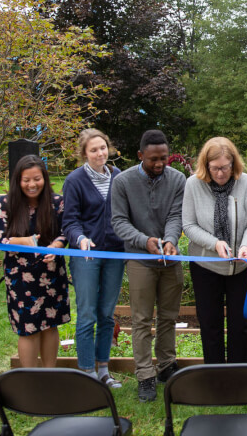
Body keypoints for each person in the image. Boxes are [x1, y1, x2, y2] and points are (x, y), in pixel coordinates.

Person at [111, 129, 185, 403]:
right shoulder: (123, 182)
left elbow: (177, 215)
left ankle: (166, 365)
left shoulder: (178, 179)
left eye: (164, 158)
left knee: (168, 316)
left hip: (170, 258)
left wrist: (170, 240)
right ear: (140, 155)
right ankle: (145, 375)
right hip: (140, 259)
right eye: (153, 159)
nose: (159, 164)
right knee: (141, 320)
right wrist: (145, 241)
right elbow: (119, 221)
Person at [183, 137, 247, 364]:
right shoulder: (193, 185)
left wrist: (246, 246)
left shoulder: (246, 183)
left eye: (225, 168)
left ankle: (241, 374)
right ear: (206, 166)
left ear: (233, 163)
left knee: (242, 323)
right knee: (210, 323)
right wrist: (215, 243)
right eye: (215, 168)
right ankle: (215, 375)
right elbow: (188, 225)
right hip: (206, 265)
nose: (220, 174)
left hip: (242, 265)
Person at [0, 155, 70, 368]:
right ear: (18, 180)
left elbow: (66, 232)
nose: (32, 184)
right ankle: (29, 378)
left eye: (37, 179)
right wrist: (24, 241)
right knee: (28, 327)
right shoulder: (6, 204)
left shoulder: (57, 203)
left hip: (52, 272)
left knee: (50, 324)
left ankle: (49, 374)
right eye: (26, 180)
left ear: (45, 178)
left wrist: (56, 247)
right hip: (21, 276)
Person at [62, 129, 125, 388]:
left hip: (114, 253)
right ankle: (86, 372)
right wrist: (80, 239)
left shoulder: (118, 177)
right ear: (84, 154)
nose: (100, 153)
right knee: (87, 313)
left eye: (102, 148)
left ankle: (103, 370)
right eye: (93, 150)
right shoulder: (74, 180)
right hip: (86, 255)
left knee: (107, 314)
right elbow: (69, 221)